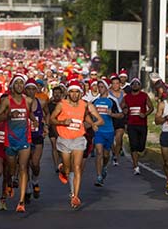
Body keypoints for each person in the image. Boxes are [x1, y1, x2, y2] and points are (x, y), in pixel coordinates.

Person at [50, 80, 102, 209]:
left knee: (77, 167)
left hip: (79, 139)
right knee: (68, 169)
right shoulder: (61, 105)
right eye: (72, 91)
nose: (74, 94)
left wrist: (94, 124)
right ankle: (62, 169)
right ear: (68, 92)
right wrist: (63, 123)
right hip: (64, 139)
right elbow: (51, 119)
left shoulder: (86, 105)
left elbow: (100, 119)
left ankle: (75, 196)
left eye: (77, 92)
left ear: (81, 93)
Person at [0, 74, 38, 213]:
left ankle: (21, 201)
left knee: (23, 168)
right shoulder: (6, 101)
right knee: (11, 169)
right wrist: (7, 116)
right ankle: (11, 178)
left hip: (24, 139)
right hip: (10, 140)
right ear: (12, 86)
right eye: (16, 83)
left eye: (21, 83)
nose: (19, 85)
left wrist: (34, 120)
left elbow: (29, 114)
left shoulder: (28, 100)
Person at [92, 78, 123, 187]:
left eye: (101, 87)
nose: (99, 89)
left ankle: (104, 167)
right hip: (98, 131)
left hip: (109, 131)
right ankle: (99, 177)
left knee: (106, 155)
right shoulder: (95, 101)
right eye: (98, 87)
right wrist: (92, 123)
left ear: (106, 88)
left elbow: (121, 114)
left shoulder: (112, 101)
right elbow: (88, 114)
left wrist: (112, 114)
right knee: (99, 153)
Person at [24, 78, 49, 200]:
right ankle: (28, 187)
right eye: (28, 88)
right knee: (25, 163)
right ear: (25, 90)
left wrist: (46, 126)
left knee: (35, 163)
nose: (31, 91)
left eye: (33, 88)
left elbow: (47, 114)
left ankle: (35, 180)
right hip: (24, 137)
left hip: (38, 136)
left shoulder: (42, 102)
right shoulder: (21, 103)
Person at [121, 77, 154, 175]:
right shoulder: (127, 97)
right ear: (131, 86)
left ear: (140, 86)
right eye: (133, 84)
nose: (135, 85)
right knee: (133, 146)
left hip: (142, 124)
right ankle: (136, 167)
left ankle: (139, 154)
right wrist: (125, 109)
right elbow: (122, 105)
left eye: (137, 83)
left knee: (141, 147)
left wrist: (145, 114)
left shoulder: (144, 96)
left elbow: (151, 107)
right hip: (131, 125)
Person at [109, 74, 126, 166]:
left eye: (117, 83)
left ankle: (116, 156)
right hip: (110, 117)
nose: (115, 85)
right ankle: (113, 152)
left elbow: (128, 104)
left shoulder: (124, 94)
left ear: (120, 84)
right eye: (114, 83)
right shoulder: (108, 93)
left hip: (120, 117)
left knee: (119, 138)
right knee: (111, 139)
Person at [47, 86, 63, 172]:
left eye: (58, 93)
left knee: (61, 146)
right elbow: (47, 115)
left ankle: (62, 161)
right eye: (55, 93)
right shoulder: (49, 104)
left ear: (61, 94)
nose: (56, 94)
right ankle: (56, 165)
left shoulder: (64, 104)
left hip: (62, 127)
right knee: (54, 146)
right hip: (52, 127)